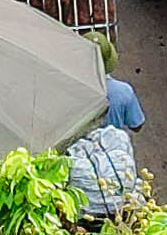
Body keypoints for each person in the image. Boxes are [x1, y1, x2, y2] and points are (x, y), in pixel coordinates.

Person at [62, 69, 148, 220]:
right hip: (113, 162)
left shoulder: (68, 89)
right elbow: (137, 125)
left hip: (75, 154)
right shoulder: (123, 92)